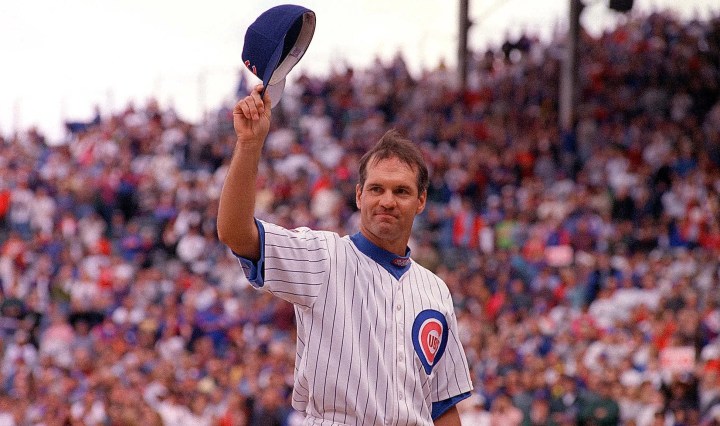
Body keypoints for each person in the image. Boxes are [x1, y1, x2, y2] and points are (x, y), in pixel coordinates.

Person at [218, 85, 473, 425]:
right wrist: (249, 145)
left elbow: (442, 406)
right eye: (376, 189)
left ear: (421, 201)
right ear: (358, 195)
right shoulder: (324, 257)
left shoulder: (435, 290)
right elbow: (235, 232)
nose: (387, 200)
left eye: (401, 191)